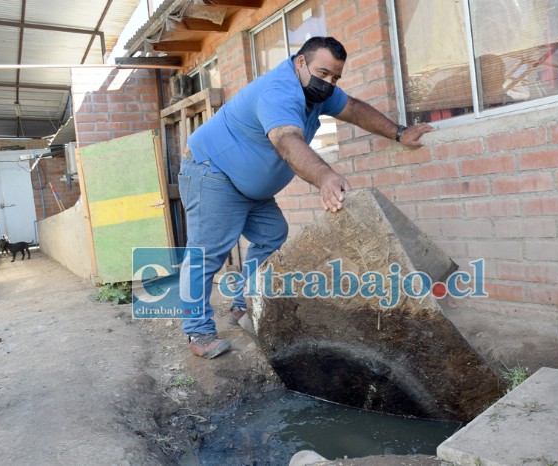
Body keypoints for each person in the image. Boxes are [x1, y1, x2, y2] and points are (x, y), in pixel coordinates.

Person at [179, 36, 433, 359]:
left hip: (248, 184)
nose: (329, 84)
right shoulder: (279, 92)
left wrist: (399, 132)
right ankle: (197, 331)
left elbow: (353, 108)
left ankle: (244, 306)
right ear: (300, 63)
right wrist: (325, 176)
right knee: (207, 251)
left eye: (335, 78)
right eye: (323, 73)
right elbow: (286, 140)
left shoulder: (316, 93)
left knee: (273, 234)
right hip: (212, 169)